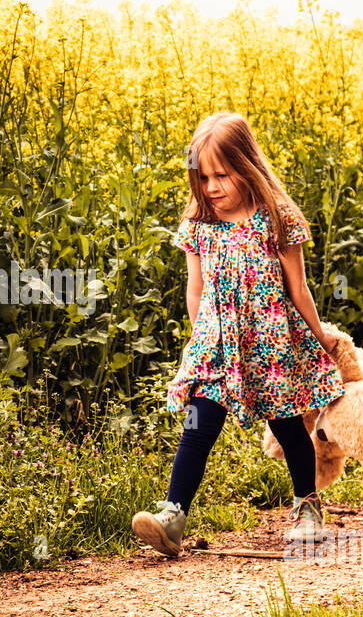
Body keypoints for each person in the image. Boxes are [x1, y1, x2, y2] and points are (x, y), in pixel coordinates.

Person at [132, 112, 346, 557]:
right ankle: (173, 514)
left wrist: (319, 335)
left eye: (221, 176)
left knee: (288, 428)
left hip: (270, 343)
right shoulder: (198, 223)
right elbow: (196, 290)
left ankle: (308, 506)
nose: (210, 187)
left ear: (246, 167)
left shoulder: (278, 219)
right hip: (216, 343)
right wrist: (200, 341)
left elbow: (298, 287)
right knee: (197, 425)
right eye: (203, 177)